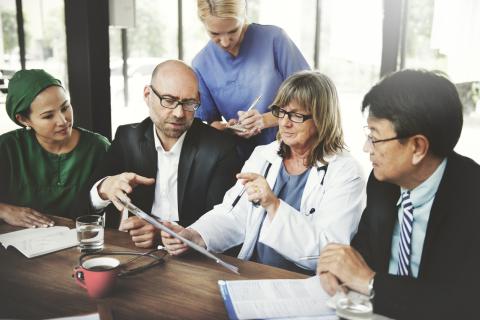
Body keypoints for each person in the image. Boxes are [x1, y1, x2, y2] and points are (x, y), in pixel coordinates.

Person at [161, 71, 365, 274]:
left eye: (296, 115)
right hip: (255, 272)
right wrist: (194, 235)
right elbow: (232, 215)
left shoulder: (345, 171)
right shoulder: (264, 155)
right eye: (281, 112)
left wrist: (273, 205)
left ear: (322, 118)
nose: (284, 122)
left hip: (305, 283)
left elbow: (328, 253)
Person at [316, 69, 480, 319]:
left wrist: (369, 282)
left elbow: (462, 302)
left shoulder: (471, 197)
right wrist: (339, 267)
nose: (365, 148)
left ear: (417, 147)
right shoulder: (383, 182)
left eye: (375, 137)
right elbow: (366, 247)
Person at [85, 60, 241, 248]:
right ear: (147, 95)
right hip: (135, 251)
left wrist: (161, 233)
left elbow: (222, 221)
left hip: (195, 259)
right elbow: (82, 207)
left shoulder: (220, 147)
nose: (179, 113)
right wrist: (103, 188)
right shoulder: (127, 138)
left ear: (198, 99)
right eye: (168, 100)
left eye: (189, 103)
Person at [193, 0, 310, 160]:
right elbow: (211, 121)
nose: (225, 42)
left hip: (293, 151)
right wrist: (227, 128)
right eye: (215, 34)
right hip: (243, 159)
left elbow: (311, 96)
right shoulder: (201, 64)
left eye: (233, 30)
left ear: (243, 15)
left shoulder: (275, 40)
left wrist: (265, 120)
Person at [0, 69, 110, 227]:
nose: (62, 121)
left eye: (65, 107)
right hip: (16, 245)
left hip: (82, 244)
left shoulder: (98, 148)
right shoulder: (7, 148)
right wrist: (4, 211)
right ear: (24, 119)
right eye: (48, 116)